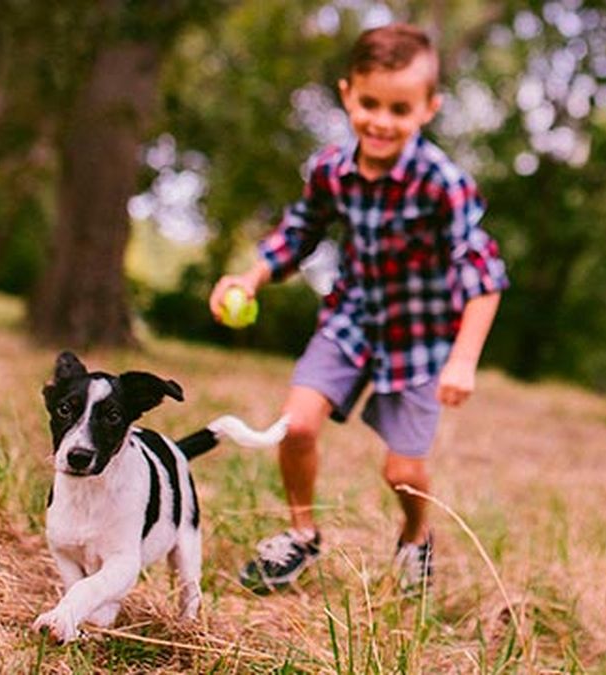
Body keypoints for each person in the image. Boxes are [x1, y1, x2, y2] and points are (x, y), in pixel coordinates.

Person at [209, 23, 509, 595]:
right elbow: (300, 233)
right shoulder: (330, 170)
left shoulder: (443, 184)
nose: (380, 120)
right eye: (369, 103)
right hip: (351, 320)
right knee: (295, 425)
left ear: (428, 109)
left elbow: (485, 274)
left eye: (399, 109)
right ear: (348, 94)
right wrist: (249, 277)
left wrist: (463, 359)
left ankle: (416, 537)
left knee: (403, 473)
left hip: (421, 338)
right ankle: (301, 536)